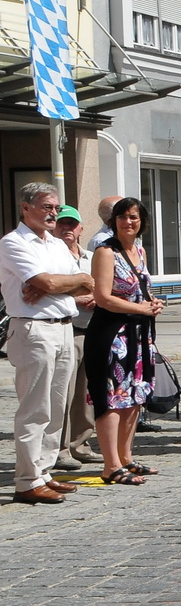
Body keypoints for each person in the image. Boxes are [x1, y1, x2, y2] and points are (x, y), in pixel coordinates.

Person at [0, 183, 95, 504]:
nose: (53, 213)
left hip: (65, 328)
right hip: (33, 330)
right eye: (46, 207)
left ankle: (44, 472)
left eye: (56, 207)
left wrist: (58, 284)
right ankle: (26, 480)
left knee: (57, 408)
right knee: (35, 408)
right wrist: (59, 283)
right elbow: (53, 281)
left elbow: (85, 283)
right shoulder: (13, 243)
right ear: (25, 208)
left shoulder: (55, 245)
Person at [86, 196, 164, 484]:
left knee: (133, 397)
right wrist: (140, 308)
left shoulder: (139, 251)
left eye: (133, 217)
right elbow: (103, 298)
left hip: (138, 335)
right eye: (122, 217)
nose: (128, 222)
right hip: (111, 335)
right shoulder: (106, 252)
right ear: (113, 221)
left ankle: (126, 457)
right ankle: (111, 465)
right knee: (111, 398)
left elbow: (137, 291)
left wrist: (152, 303)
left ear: (142, 221)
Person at [54, 207, 101, 473]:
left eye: (72, 224)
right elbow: (48, 293)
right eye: (62, 224)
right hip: (67, 329)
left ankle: (80, 444)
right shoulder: (52, 258)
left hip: (93, 329)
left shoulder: (91, 258)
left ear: (81, 228)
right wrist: (76, 299)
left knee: (87, 393)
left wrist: (99, 297)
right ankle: (59, 449)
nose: (67, 229)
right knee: (64, 393)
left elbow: (106, 285)